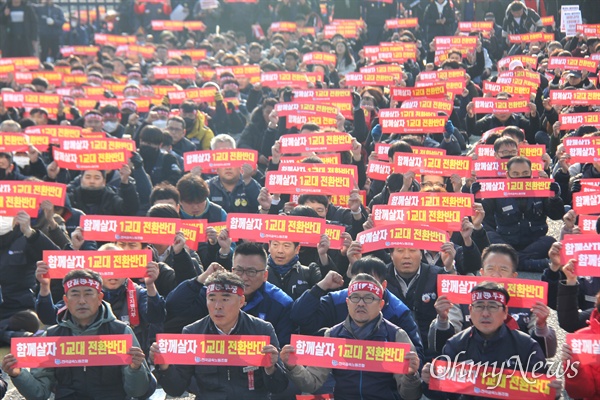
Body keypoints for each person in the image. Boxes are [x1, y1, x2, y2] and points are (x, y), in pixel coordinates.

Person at [2, 269, 154, 399]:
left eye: (88, 294)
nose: (82, 301)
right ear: (66, 300)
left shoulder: (120, 332)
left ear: (100, 298)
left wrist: (135, 368)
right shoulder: (51, 336)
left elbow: (137, 391)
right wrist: (18, 375)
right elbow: (39, 394)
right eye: (75, 294)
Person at [281, 273, 422, 400]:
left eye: (368, 298)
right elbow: (312, 383)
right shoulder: (333, 335)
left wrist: (411, 376)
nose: (361, 303)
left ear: (381, 304)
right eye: (355, 297)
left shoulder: (396, 336)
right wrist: (293, 368)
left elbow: (410, 396)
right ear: (347, 303)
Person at [151, 270, 289, 399]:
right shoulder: (193, 333)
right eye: (212, 298)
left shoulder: (261, 330)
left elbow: (279, 387)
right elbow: (176, 389)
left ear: (241, 301)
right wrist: (165, 367)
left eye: (225, 299)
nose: (217, 306)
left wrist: (271, 368)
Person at [421, 282, 562, 398]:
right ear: (470, 310)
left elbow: (540, 393)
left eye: (493, 307)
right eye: (479, 306)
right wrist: (429, 381)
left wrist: (552, 393)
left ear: (505, 312)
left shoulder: (527, 346)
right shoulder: (455, 344)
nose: (485, 313)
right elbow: (443, 395)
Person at [428, 244, 556, 357]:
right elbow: (444, 346)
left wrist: (541, 326)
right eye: (491, 269)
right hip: (469, 363)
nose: (495, 275)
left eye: (503, 270)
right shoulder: (462, 297)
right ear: (481, 273)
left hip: (514, 365)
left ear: (514, 276)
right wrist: (442, 320)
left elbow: (545, 353)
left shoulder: (529, 301)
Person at [290, 256, 424, 363]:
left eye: (369, 282)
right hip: (338, 375)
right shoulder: (336, 300)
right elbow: (298, 316)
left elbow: (415, 355)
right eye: (358, 281)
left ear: (383, 285)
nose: (361, 301)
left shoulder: (399, 311)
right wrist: (321, 286)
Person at [165, 242, 295, 346]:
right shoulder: (217, 292)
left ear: (265, 275)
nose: (244, 277)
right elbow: (173, 305)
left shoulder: (280, 303)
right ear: (232, 270)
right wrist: (201, 279)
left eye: (251, 272)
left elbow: (282, 350)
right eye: (239, 270)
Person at [473, 156, 564, 272]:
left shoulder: (541, 189)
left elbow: (555, 215)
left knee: (550, 241)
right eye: (515, 174)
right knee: (489, 236)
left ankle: (511, 261)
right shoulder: (498, 191)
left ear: (531, 173)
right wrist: (477, 197)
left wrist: (555, 198)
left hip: (533, 242)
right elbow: (484, 213)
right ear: (507, 174)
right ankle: (530, 264)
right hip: (506, 242)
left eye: (525, 173)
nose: (521, 177)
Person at [68, 169, 140, 216]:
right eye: (88, 177)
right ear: (81, 180)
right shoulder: (71, 198)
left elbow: (129, 210)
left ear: (104, 181)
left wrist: (125, 182)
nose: (92, 181)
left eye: (97, 178)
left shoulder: (111, 198)